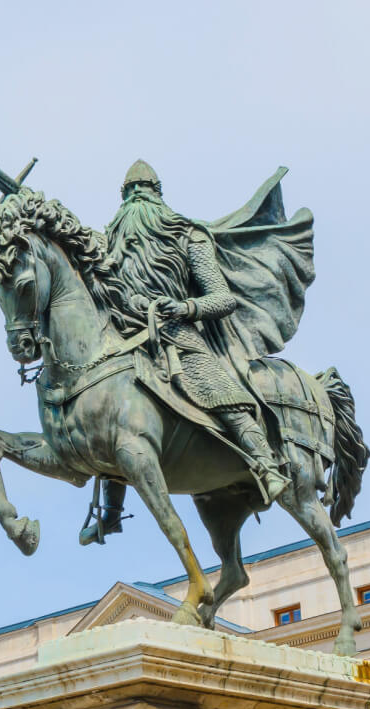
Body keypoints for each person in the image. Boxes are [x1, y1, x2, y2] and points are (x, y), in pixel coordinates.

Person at [79, 160, 290, 545]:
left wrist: (185, 308)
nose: (136, 200)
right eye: (131, 193)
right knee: (104, 406)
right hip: (124, 334)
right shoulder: (109, 241)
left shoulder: (188, 236)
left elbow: (223, 299)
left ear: (158, 194)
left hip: (178, 333)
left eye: (142, 191)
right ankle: (110, 513)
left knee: (215, 387)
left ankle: (264, 462)